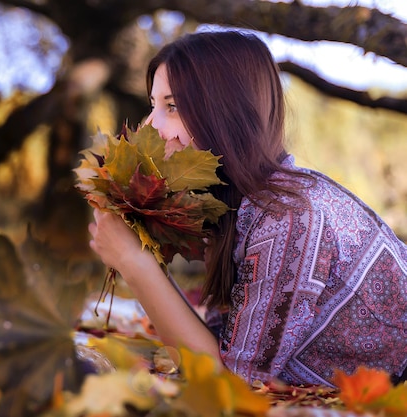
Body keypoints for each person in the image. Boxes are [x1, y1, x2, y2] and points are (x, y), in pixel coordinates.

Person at [87, 30, 407, 387]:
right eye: (152, 106)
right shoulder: (236, 210)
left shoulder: (287, 216)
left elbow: (235, 388)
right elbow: (218, 344)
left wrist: (134, 263)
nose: (151, 126)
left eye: (172, 107)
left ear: (226, 113)